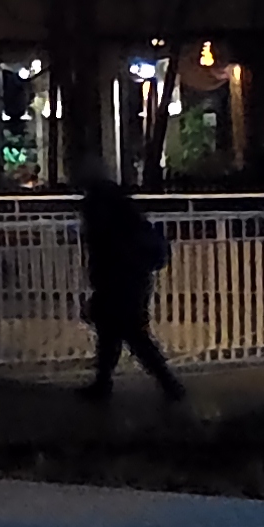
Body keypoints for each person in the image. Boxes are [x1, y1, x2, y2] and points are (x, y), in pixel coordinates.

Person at [75, 168, 184, 400]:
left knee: (127, 334)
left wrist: (102, 280)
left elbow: (105, 254)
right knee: (115, 333)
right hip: (130, 280)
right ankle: (105, 383)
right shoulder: (124, 214)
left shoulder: (104, 218)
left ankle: (168, 385)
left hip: (120, 282)